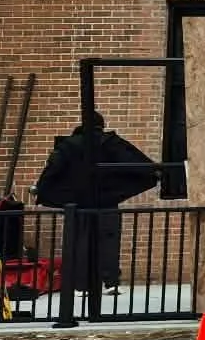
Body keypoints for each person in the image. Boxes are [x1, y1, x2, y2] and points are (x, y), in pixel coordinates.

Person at [33, 110, 160, 298]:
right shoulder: (111, 143)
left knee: (79, 242)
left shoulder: (69, 145)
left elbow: (53, 170)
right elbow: (137, 164)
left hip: (78, 203)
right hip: (106, 200)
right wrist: (152, 175)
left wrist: (42, 190)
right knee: (108, 241)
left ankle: (81, 285)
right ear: (102, 124)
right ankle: (110, 282)